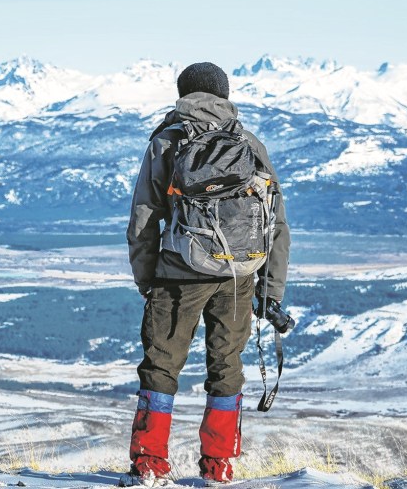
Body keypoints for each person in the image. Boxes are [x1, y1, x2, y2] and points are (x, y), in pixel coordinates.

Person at [124, 62, 291, 485]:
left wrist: (147, 279)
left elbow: (144, 217)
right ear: (224, 94)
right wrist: (271, 290)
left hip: (177, 275)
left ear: (183, 93)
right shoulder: (248, 142)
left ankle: (150, 464)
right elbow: (276, 222)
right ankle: (219, 466)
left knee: (161, 367)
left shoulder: (167, 141)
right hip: (238, 275)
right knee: (227, 366)